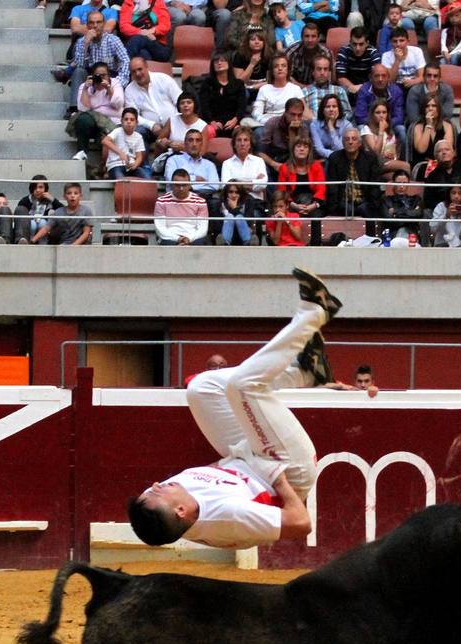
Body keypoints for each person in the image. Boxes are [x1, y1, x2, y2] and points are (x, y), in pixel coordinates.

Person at [127, 268, 342, 549]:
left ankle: (305, 373)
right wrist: (278, 480)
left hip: (244, 458)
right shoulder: (227, 516)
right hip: (287, 469)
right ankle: (313, 313)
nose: (156, 485)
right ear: (181, 511)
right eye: (157, 492)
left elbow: (178, 492)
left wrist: (240, 461)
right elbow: (300, 524)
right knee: (243, 386)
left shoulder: (157, 507)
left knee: (202, 387)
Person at [325, 126, 383, 221]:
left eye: (354, 139)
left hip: (365, 201)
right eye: (347, 139)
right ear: (343, 143)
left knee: (366, 209)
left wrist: (373, 204)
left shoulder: (370, 158)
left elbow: (374, 184)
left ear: (360, 143)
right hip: (344, 202)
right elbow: (333, 187)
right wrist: (332, 210)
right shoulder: (334, 158)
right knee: (347, 210)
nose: (350, 142)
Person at [68, 59, 126, 149]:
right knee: (83, 119)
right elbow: (83, 109)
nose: (101, 78)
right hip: (96, 123)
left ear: (109, 76)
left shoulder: (115, 83)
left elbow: (118, 105)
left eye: (104, 75)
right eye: (98, 75)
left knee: (106, 141)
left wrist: (108, 88)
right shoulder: (85, 86)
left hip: (114, 121)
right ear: (92, 76)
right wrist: (85, 89)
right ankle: (82, 151)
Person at [122, 55, 179, 146]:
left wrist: (174, 121)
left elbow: (180, 101)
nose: (137, 74)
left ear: (146, 66)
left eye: (140, 69)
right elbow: (133, 115)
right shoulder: (129, 90)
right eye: (133, 71)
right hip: (150, 130)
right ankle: (142, 156)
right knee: (138, 132)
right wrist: (151, 125)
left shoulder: (163, 79)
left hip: (175, 125)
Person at [200, 52, 249, 139]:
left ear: (229, 64)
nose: (219, 63)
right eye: (216, 62)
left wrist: (235, 120)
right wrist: (212, 122)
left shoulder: (238, 84)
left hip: (233, 122)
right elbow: (204, 106)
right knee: (208, 131)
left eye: (222, 60)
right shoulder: (207, 83)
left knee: (241, 134)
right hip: (213, 122)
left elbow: (242, 106)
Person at [154, 168, 209, 244]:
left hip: (193, 238)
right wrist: (178, 239)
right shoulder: (161, 201)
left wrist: (189, 239)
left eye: (184, 185)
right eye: (177, 185)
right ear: (171, 185)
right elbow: (160, 228)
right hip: (170, 238)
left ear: (190, 185)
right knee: (167, 243)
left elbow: (202, 229)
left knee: (201, 242)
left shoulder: (200, 201)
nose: (181, 188)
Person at [10, 174, 64, 244]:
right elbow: (19, 219)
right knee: (33, 224)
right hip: (29, 229)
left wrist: (53, 200)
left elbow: (64, 211)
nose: (37, 190)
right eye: (35, 188)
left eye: (40, 187)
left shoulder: (50, 201)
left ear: (45, 188)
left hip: (45, 229)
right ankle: (28, 242)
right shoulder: (25, 201)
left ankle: (43, 244)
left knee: (42, 222)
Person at [220, 125, 268, 201]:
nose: (242, 143)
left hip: (255, 202)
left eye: (245, 140)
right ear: (234, 144)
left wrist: (236, 183)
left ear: (250, 144)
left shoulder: (259, 161)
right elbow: (225, 186)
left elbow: (263, 184)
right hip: (235, 202)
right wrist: (253, 182)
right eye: (239, 140)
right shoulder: (227, 163)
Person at [335, 26, 381, 101]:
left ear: (367, 43)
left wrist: (362, 88)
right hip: (348, 88)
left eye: (361, 44)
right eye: (354, 44)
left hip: (368, 88)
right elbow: (340, 77)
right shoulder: (343, 51)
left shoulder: (373, 53)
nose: (357, 48)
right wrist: (353, 88)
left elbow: (377, 77)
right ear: (350, 42)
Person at [300, 54, 349, 123]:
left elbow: (348, 113)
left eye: (325, 69)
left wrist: (335, 122)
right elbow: (302, 115)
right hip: (313, 126)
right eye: (319, 69)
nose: (322, 73)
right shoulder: (304, 92)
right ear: (313, 72)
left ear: (329, 72)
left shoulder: (339, 91)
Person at [409, 93, 454, 167]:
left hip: (442, 164)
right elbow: (421, 150)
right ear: (423, 109)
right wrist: (428, 125)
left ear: (439, 109)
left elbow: (446, 151)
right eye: (427, 106)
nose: (430, 109)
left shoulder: (447, 126)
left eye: (434, 106)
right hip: (423, 164)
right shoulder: (418, 127)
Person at [103, 106, 149, 178]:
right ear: (121, 121)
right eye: (126, 119)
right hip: (116, 165)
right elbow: (105, 141)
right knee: (121, 180)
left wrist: (136, 164)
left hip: (131, 165)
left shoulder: (138, 136)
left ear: (136, 123)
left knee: (147, 178)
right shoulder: (117, 131)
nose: (129, 122)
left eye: (132, 120)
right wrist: (120, 153)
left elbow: (139, 156)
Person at [380, 24, 425, 92]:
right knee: (394, 90)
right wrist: (397, 60)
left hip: (414, 85)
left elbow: (423, 77)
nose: (398, 44)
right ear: (391, 43)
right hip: (396, 87)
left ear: (408, 41)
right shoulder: (386, 56)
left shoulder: (417, 51)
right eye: (395, 41)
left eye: (401, 40)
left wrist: (413, 81)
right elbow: (390, 81)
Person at [286, 20, 331, 87]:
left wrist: (311, 89)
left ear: (318, 38)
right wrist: (303, 87)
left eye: (313, 36)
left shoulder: (325, 53)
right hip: (295, 88)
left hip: (318, 88)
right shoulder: (292, 52)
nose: (310, 40)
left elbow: (328, 78)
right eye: (307, 36)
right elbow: (286, 76)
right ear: (302, 38)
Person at [217, 180, 257, 245]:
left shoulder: (248, 201)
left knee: (239, 217)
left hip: (243, 234)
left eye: (237, 192)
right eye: (231, 192)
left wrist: (234, 208)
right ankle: (225, 244)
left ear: (241, 193)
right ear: (226, 193)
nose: (234, 195)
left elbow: (248, 222)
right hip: (227, 234)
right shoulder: (220, 203)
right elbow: (217, 225)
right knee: (229, 217)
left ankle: (248, 243)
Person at [311, 92, 348, 159]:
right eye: (328, 107)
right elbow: (319, 149)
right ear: (322, 110)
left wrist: (331, 128)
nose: (331, 109)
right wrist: (334, 155)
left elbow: (340, 148)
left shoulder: (346, 125)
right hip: (321, 159)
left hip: (342, 160)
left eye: (334, 106)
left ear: (339, 109)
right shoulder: (314, 125)